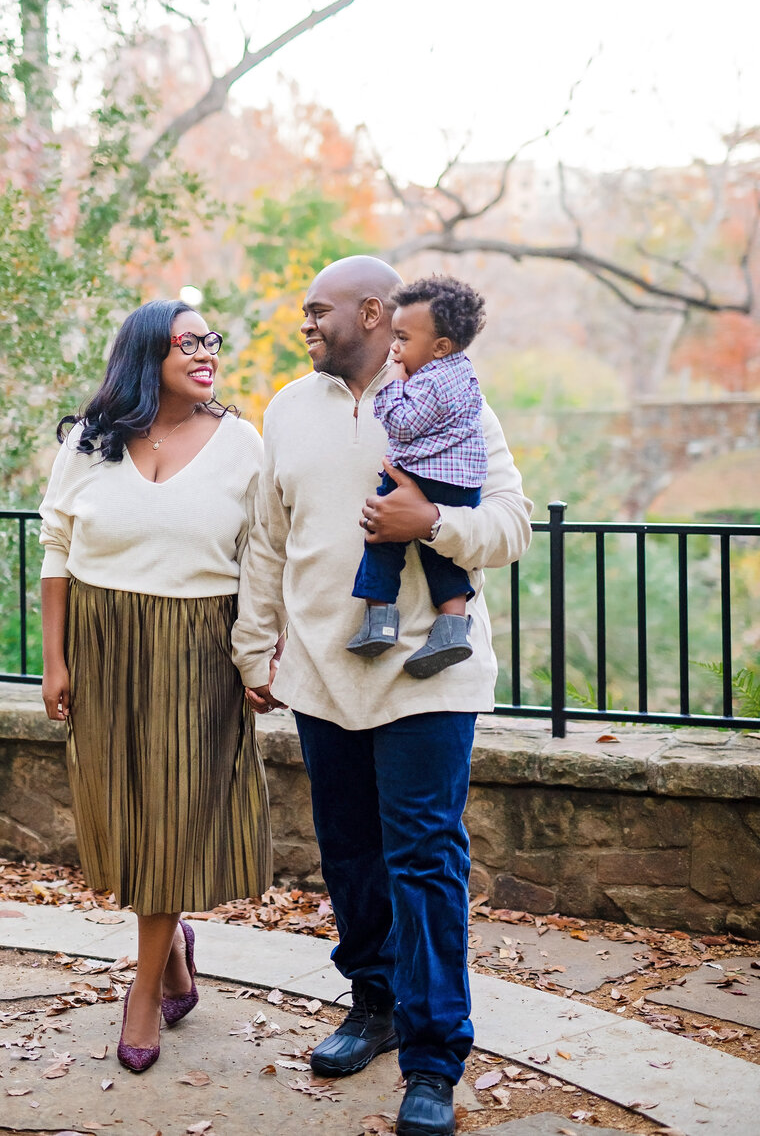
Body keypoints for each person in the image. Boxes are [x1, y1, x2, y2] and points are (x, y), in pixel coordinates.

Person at [231, 256, 532, 1136]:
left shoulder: (451, 398)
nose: (307, 325)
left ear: (373, 312)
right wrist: (256, 650)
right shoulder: (288, 408)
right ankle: (374, 1002)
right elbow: (266, 539)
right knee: (351, 853)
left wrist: (430, 525)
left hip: (429, 680)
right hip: (323, 674)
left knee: (425, 862)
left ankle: (434, 1059)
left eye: (319, 311)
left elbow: (511, 524)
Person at [39, 299, 272, 1074]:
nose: (207, 352)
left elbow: (261, 557)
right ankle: (171, 944)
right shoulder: (89, 440)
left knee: (171, 817)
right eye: (188, 342)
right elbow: (56, 547)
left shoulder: (242, 443)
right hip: (102, 645)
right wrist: (56, 659)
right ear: (148, 354)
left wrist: (255, 655)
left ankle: (141, 996)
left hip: (197, 648)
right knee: (122, 815)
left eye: (212, 339)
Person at [348, 274, 488, 679]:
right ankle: (452, 627)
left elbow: (403, 425)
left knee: (381, 537)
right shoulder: (464, 374)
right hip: (462, 483)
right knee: (440, 554)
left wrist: (392, 382)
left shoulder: (428, 379)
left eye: (403, 339)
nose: (394, 348)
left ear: (440, 347)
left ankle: (380, 621)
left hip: (425, 474)